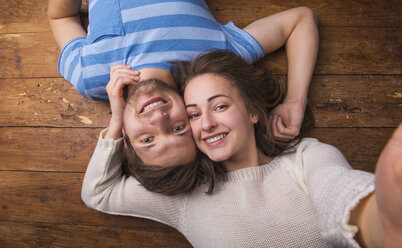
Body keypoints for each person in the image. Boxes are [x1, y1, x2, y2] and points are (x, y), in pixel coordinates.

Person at [81, 51, 402, 247]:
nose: (205, 124)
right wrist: (116, 123)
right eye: (192, 115)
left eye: (219, 106)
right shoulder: (187, 197)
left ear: (252, 111)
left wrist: (381, 216)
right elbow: (98, 193)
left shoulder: (306, 157)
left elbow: (339, 191)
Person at [48, 0, 319, 170]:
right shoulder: (213, 62)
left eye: (147, 139)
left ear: (126, 140)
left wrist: (117, 120)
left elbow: (60, 17)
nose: (158, 119)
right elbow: (301, 19)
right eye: (178, 128)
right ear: (192, 119)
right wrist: (295, 100)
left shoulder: (91, 75)